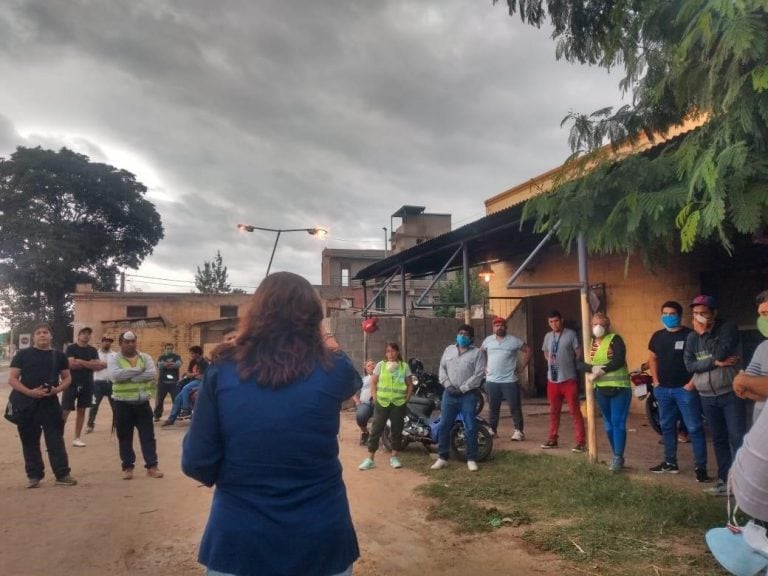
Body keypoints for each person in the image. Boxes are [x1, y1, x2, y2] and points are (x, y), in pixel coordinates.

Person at [182, 272, 360, 576]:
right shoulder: (334, 369)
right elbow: (350, 379)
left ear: (257, 312)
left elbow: (197, 461)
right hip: (321, 539)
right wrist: (324, 335)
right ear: (315, 319)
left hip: (240, 539)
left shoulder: (222, 369)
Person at [684, 294, 746, 496]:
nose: (699, 317)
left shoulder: (726, 328)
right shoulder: (692, 337)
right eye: (695, 313)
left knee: (737, 437)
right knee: (718, 439)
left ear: (713, 313)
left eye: (703, 313)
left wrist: (705, 334)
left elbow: (720, 352)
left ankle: (742, 482)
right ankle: (724, 481)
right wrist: (714, 363)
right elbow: (689, 365)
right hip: (706, 395)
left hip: (729, 392)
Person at [8, 323, 77, 487]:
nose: (42, 335)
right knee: (29, 441)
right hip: (27, 403)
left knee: (55, 440)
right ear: (34, 337)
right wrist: (30, 392)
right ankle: (34, 476)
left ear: (50, 336)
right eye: (38, 333)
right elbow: (12, 379)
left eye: (45, 332)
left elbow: (67, 378)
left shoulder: (58, 356)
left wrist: (57, 390)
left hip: (50, 403)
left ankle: (62, 474)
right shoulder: (22, 355)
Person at [647, 301, 709, 481]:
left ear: (680, 315)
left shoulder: (691, 335)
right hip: (663, 390)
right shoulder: (657, 336)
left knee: (694, 428)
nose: (668, 316)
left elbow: (701, 360)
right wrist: (656, 381)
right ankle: (670, 463)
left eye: (671, 313)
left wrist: (691, 384)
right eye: (664, 313)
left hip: (685, 390)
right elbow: (652, 358)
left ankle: (701, 468)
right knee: (666, 427)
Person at [108, 330, 163, 480]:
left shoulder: (145, 357)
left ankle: (152, 466)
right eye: (127, 341)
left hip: (142, 403)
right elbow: (114, 375)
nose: (130, 344)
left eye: (133, 341)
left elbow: (151, 374)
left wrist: (129, 377)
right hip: (122, 403)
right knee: (125, 437)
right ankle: (127, 467)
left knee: (148, 437)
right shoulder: (114, 359)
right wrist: (138, 371)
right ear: (121, 343)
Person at [431, 324, 486, 472]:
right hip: (449, 394)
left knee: (470, 426)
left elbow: (479, 374)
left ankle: (471, 458)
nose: (462, 336)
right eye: (460, 333)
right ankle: (442, 457)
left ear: (472, 338)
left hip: (467, 395)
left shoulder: (477, 353)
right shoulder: (449, 350)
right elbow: (442, 368)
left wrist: (462, 389)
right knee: (444, 425)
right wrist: (448, 385)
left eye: (466, 334)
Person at [583, 312, 631, 472]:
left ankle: (618, 457)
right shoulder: (588, 343)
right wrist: (591, 368)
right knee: (609, 425)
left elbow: (618, 359)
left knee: (618, 422)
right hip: (601, 389)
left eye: (602, 324)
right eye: (595, 324)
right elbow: (578, 363)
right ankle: (616, 455)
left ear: (607, 326)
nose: (598, 327)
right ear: (590, 326)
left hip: (619, 387)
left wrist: (600, 371)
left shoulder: (615, 339)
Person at [358, 343, 413, 470]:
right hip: (382, 403)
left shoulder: (404, 367)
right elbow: (373, 382)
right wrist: (375, 398)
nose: (391, 354)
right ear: (385, 353)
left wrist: (407, 399)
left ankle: (394, 457)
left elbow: (410, 384)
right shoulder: (380, 365)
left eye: (393, 351)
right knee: (376, 429)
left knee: (396, 430)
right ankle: (370, 459)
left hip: (398, 404)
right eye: (388, 351)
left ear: (398, 352)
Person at [540, 310, 586, 452]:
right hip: (552, 380)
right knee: (553, 411)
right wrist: (551, 361)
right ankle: (552, 439)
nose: (554, 324)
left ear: (562, 320)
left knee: (574, 411)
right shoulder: (548, 336)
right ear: (549, 323)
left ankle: (580, 442)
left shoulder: (571, 334)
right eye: (551, 322)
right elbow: (546, 352)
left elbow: (578, 353)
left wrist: (571, 361)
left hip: (568, 379)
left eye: (556, 321)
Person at [481, 315, 531, 441]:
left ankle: (519, 431)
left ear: (506, 327)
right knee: (493, 407)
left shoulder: (513, 340)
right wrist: (483, 366)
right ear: (493, 328)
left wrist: (523, 367)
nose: (499, 328)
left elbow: (528, 350)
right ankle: (492, 430)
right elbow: (481, 352)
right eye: (497, 326)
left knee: (514, 406)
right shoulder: (488, 341)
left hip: (509, 380)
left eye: (502, 325)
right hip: (492, 380)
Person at [64, 326, 104, 447]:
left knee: (81, 411)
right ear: (79, 335)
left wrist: (80, 361)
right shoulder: (71, 348)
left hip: (87, 384)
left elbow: (97, 366)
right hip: (71, 383)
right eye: (84, 333)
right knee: (65, 411)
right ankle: (57, 437)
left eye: (88, 333)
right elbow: (71, 365)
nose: (86, 335)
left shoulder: (92, 350)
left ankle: (77, 438)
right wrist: (89, 364)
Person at [734, 289, 768, 422]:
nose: (762, 320)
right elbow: (743, 388)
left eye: (766, 313)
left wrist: (745, 381)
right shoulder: (763, 347)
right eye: (760, 314)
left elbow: (744, 381)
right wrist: (750, 384)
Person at [162, 345, 210, 427]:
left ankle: (186, 409)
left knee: (185, 388)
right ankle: (171, 419)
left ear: (198, 353)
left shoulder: (204, 363)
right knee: (178, 398)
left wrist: (192, 375)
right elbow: (188, 374)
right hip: (193, 381)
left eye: (192, 353)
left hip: (201, 382)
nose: (191, 355)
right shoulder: (192, 362)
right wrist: (194, 374)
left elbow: (201, 377)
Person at [86, 335, 116, 433]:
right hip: (97, 383)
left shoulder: (115, 355)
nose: (107, 343)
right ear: (102, 342)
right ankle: (90, 425)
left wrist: (103, 364)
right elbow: (92, 366)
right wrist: (99, 365)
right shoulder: (95, 353)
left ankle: (116, 424)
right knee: (94, 405)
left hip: (111, 383)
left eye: (109, 341)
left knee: (115, 405)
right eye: (105, 341)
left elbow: (116, 367)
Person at [154, 343, 182, 422]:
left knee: (176, 399)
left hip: (174, 382)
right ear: (165, 349)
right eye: (167, 348)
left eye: (170, 348)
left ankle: (177, 415)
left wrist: (166, 364)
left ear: (173, 349)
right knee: (159, 400)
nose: (169, 350)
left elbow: (178, 364)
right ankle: (157, 415)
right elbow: (160, 365)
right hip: (162, 382)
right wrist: (171, 364)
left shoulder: (177, 357)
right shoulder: (161, 357)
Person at [354, 359, 376, 445]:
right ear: (366, 369)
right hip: (365, 404)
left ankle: (376, 437)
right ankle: (366, 433)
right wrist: (357, 401)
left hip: (378, 403)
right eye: (369, 365)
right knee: (360, 416)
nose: (372, 366)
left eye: (373, 364)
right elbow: (351, 390)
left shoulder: (381, 377)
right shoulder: (363, 379)